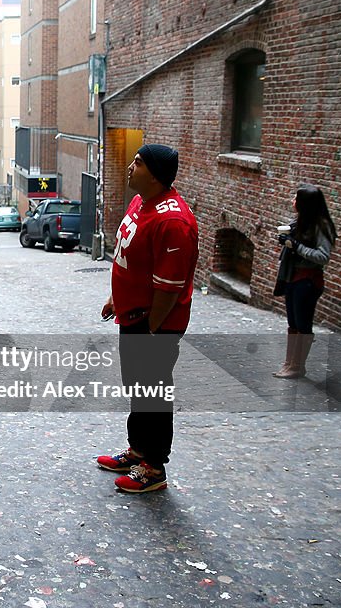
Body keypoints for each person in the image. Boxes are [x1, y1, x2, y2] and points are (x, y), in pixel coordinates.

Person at [97, 144, 199, 493]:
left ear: (154, 174)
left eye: (138, 163)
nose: (129, 167)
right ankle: (138, 449)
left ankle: (154, 467)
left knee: (153, 392)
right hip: (133, 315)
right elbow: (130, 259)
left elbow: (169, 289)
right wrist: (117, 297)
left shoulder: (173, 222)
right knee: (138, 387)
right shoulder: (141, 201)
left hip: (154, 324)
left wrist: (151, 329)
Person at [272, 184, 336, 378]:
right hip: (293, 277)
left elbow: (323, 256)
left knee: (302, 324)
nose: (293, 201)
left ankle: (297, 366)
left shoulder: (321, 226)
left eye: (296, 199)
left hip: (307, 280)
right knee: (293, 323)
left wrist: (297, 246)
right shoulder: (301, 221)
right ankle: (290, 362)